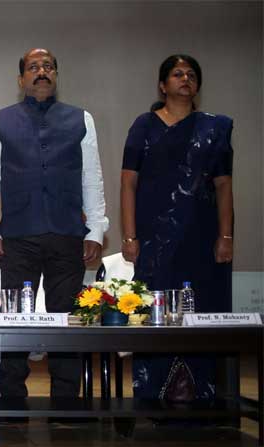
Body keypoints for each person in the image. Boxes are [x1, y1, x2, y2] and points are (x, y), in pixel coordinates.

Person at [0, 48, 108, 399]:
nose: (41, 71)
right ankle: (10, 399)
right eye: (33, 67)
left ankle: (66, 400)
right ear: (21, 79)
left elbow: (92, 178)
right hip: (17, 236)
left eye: (48, 66)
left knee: (66, 322)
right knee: (14, 321)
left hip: (68, 234)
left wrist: (96, 229)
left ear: (56, 75)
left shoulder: (81, 119)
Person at [121, 54, 234, 402]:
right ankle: (154, 398)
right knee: (155, 315)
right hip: (154, 240)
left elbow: (224, 186)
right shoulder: (144, 125)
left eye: (191, 75)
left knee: (204, 312)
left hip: (202, 238)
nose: (185, 78)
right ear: (162, 85)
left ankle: (207, 400)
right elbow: (128, 183)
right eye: (177, 74)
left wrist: (226, 236)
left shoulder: (215, 128)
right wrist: (130, 236)